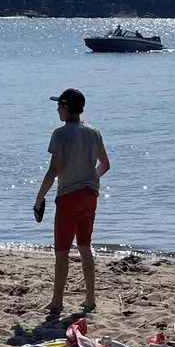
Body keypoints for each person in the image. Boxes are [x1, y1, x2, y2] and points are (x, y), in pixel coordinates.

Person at [32, 87, 110, 321]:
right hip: (90, 194)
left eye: (59, 106)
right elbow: (105, 165)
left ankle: (57, 301)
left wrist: (39, 198)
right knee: (85, 247)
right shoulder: (94, 132)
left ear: (67, 108)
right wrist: (90, 178)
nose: (57, 109)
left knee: (62, 251)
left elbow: (54, 169)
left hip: (69, 196)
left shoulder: (60, 134)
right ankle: (90, 298)